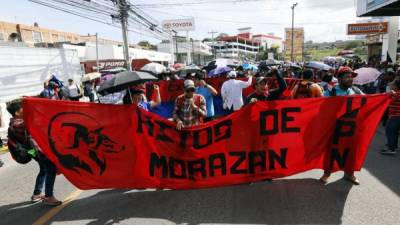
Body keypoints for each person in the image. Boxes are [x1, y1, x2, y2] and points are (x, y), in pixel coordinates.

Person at [6, 99, 62, 205]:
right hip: (33, 150)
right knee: (50, 167)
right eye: (23, 108)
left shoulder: (17, 121)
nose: (26, 110)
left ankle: (37, 194)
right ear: (17, 112)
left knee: (43, 168)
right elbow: (34, 124)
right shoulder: (17, 124)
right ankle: (49, 197)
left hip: (31, 150)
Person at [321, 66, 363, 185]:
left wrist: (387, 95)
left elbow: (370, 100)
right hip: (336, 128)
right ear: (339, 79)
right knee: (332, 151)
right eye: (347, 77)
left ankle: (349, 174)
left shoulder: (356, 91)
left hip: (352, 129)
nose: (350, 79)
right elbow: (322, 108)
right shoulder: (330, 91)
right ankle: (327, 173)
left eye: (351, 77)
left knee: (351, 151)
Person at [381, 79, 400, 155]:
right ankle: (393, 146)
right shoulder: (397, 93)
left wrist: (390, 93)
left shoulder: (396, 94)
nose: (391, 85)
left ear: (396, 86)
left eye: (392, 84)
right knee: (394, 132)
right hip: (396, 116)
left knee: (390, 131)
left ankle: (391, 149)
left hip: (396, 116)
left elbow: (389, 101)